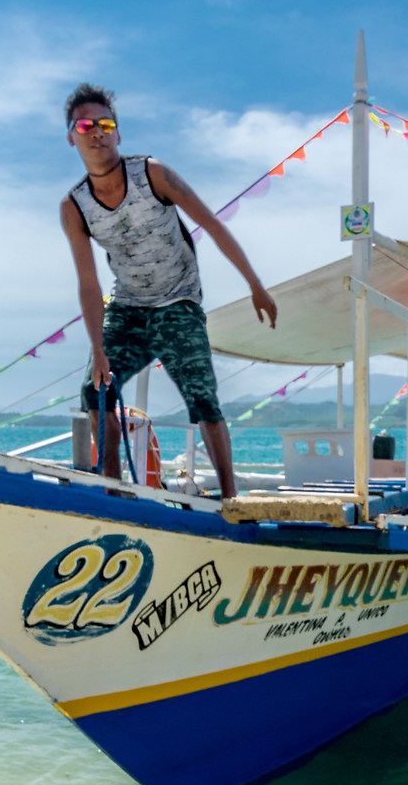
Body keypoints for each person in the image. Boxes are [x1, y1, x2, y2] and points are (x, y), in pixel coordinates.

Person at [59, 82, 277, 497]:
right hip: (126, 308)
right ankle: (112, 488)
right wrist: (99, 351)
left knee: (203, 400)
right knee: (96, 389)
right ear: (72, 136)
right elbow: (88, 283)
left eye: (106, 124)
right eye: (86, 124)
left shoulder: (151, 173)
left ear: (118, 134)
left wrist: (255, 285)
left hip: (178, 302)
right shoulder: (74, 207)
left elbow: (212, 225)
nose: (97, 132)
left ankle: (230, 499)